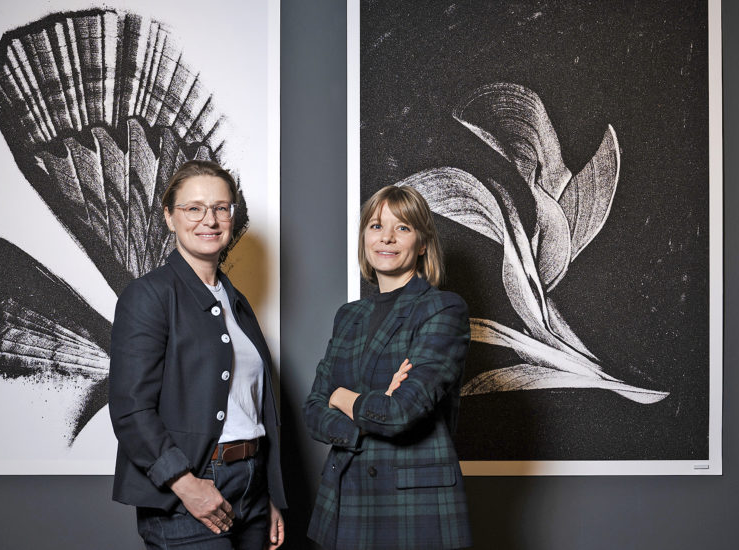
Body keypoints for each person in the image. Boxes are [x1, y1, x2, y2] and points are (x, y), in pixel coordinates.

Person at [109, 160, 285, 549]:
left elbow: (251, 407)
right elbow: (130, 408)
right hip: (192, 487)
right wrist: (185, 485)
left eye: (222, 208)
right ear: (170, 217)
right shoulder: (149, 295)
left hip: (252, 489)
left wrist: (267, 494)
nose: (210, 219)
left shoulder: (234, 300)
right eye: (194, 208)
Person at [303, 185, 473, 550]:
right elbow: (313, 410)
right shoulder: (349, 316)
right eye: (377, 226)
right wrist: (364, 409)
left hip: (412, 508)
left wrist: (342, 396)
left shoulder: (444, 309)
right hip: (344, 497)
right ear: (364, 236)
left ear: (423, 243)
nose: (388, 238)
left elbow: (400, 412)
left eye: (403, 228)